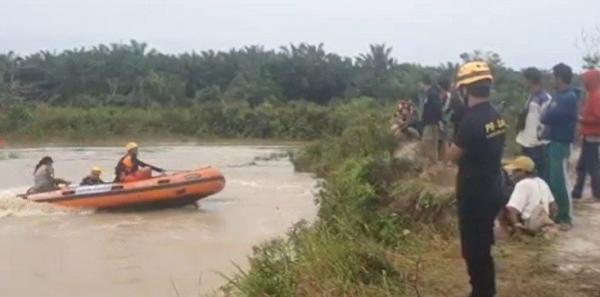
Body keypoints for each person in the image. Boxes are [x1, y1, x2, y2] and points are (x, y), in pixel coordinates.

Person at [447, 61, 506, 297]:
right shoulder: (496, 116)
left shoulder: (470, 122)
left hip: (474, 193)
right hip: (493, 187)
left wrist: (453, 131)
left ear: (464, 90)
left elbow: (452, 156)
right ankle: (485, 290)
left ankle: (482, 292)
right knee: (482, 246)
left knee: (473, 250)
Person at [541, 63, 579, 231]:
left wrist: (548, 114)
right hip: (553, 140)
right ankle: (558, 214)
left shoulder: (568, 97)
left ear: (560, 77)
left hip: (561, 142)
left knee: (560, 181)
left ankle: (566, 217)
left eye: (553, 76)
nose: (551, 79)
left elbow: (551, 116)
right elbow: (546, 115)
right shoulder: (559, 96)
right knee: (553, 180)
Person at [502, 156, 557, 236]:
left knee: (503, 207)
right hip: (544, 223)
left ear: (524, 171)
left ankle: (509, 234)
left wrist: (518, 232)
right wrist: (550, 220)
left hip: (529, 225)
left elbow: (511, 210)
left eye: (515, 171)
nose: (513, 174)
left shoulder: (522, 184)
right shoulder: (542, 182)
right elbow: (554, 206)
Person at [516, 67, 551, 181]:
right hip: (526, 141)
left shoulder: (545, 98)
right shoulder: (531, 96)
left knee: (538, 176)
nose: (523, 82)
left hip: (537, 144)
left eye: (525, 79)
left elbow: (545, 121)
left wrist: (541, 138)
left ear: (530, 80)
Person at [572, 69, 600, 201]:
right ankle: (577, 191)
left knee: (592, 165)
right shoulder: (592, 95)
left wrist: (582, 120)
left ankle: (596, 192)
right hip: (590, 134)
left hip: (593, 135)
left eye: (586, 79)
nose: (584, 82)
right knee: (583, 164)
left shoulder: (596, 96)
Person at [420, 75, 443, 164]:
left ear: (425, 83)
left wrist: (438, 120)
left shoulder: (432, 94)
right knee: (428, 143)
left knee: (429, 143)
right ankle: (433, 164)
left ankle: (434, 164)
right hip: (429, 123)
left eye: (421, 84)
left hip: (432, 123)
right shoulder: (429, 94)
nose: (420, 86)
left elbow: (437, 107)